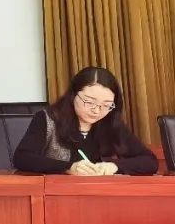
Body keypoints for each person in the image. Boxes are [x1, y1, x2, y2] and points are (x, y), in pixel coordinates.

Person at [13, 66, 157, 175]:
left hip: (98, 195)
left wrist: (115, 166)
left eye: (106, 105)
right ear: (73, 95)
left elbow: (149, 161)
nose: (97, 110)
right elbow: (22, 158)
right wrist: (68, 168)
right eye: (89, 102)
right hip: (56, 195)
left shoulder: (110, 122)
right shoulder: (47, 119)